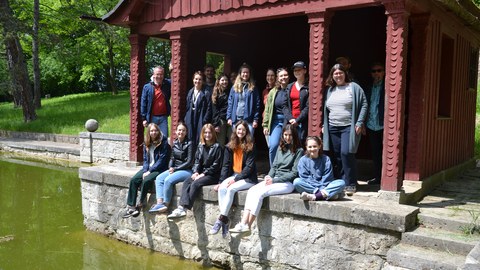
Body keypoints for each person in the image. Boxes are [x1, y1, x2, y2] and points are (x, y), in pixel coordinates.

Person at [230, 124, 303, 233]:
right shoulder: (281, 147)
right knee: (252, 190)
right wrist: (269, 176)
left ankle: (248, 226)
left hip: (287, 183)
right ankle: (243, 223)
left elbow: (294, 173)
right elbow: (274, 166)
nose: (288, 138)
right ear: (282, 135)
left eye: (290, 135)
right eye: (285, 135)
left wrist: (274, 180)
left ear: (294, 136)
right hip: (274, 179)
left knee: (260, 193)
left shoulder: (299, 150)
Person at [323, 64, 367, 196]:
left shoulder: (353, 87)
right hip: (333, 127)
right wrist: (324, 125)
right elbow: (326, 109)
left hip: (348, 126)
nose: (338, 75)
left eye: (340, 73)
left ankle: (351, 183)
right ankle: (342, 182)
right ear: (332, 76)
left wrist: (359, 122)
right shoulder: (330, 90)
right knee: (337, 155)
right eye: (335, 73)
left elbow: (364, 104)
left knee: (346, 153)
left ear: (345, 74)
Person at [210, 120, 258, 237]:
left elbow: (249, 168)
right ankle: (225, 219)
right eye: (239, 129)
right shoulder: (229, 146)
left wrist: (235, 180)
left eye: (243, 129)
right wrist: (221, 182)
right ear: (235, 130)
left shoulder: (251, 146)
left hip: (248, 178)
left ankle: (221, 219)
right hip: (234, 175)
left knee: (231, 189)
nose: (240, 131)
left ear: (246, 132)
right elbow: (226, 166)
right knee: (222, 189)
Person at [168, 124, 223, 218]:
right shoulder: (201, 145)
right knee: (187, 182)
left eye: (209, 132)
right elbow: (197, 161)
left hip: (212, 175)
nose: (207, 135)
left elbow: (216, 165)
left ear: (213, 134)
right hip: (201, 173)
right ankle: (181, 208)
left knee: (195, 184)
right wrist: (196, 172)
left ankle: (185, 208)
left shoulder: (217, 147)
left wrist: (203, 174)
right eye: (205, 132)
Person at [122, 123, 170, 218]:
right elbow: (145, 160)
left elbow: (161, 161)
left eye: (155, 130)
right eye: (151, 131)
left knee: (147, 180)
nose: (154, 133)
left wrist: (149, 171)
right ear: (149, 132)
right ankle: (131, 206)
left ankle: (140, 204)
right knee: (134, 180)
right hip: (148, 168)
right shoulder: (146, 143)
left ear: (158, 131)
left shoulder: (164, 144)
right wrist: (145, 170)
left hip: (160, 169)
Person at [149, 122, 193, 213]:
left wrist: (175, 169)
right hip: (175, 169)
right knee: (159, 178)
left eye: (183, 130)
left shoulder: (190, 143)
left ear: (186, 132)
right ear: (176, 132)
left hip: (186, 170)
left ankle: (166, 204)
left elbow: (189, 162)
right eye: (179, 130)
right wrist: (170, 167)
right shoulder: (175, 143)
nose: (181, 132)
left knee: (168, 180)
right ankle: (159, 203)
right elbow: (172, 158)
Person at [294, 136, 346, 201]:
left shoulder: (326, 159)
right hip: (311, 187)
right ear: (306, 147)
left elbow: (327, 177)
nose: (312, 149)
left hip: (324, 186)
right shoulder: (303, 160)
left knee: (341, 183)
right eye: (310, 147)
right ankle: (326, 195)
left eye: (315, 146)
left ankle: (314, 196)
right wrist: (318, 189)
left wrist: (321, 187)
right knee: (297, 182)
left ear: (319, 146)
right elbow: (305, 178)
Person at [263, 68, 289, 165]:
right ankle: (273, 171)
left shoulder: (291, 89)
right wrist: (265, 125)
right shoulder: (273, 91)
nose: (283, 78)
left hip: (288, 121)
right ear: (278, 78)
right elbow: (267, 110)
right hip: (275, 121)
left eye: (285, 75)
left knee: (287, 146)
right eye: (281, 76)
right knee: (273, 146)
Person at [227, 63, 260, 137]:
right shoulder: (234, 87)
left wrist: (255, 119)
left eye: (247, 72)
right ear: (240, 74)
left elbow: (257, 105)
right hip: (235, 119)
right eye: (243, 72)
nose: (245, 74)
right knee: (236, 142)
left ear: (249, 74)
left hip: (249, 120)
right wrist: (229, 117)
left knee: (248, 142)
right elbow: (230, 103)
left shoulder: (253, 88)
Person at [365, 62, 385, 186]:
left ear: (383, 72)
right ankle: (378, 178)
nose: (376, 73)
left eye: (379, 70)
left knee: (386, 153)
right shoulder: (368, 87)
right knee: (376, 153)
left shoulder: (388, 87)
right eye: (374, 71)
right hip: (371, 125)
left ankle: (386, 179)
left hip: (384, 125)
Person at [141, 66, 171, 138]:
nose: (159, 76)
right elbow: (143, 103)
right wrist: (144, 119)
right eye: (157, 74)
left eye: (161, 74)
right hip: (152, 117)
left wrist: (171, 69)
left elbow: (175, 79)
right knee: (152, 139)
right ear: (153, 75)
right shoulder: (147, 87)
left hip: (163, 118)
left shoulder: (166, 84)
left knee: (164, 139)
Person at [184, 71, 212, 149]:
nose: (197, 81)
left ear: (202, 81)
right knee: (190, 138)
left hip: (200, 118)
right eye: (196, 79)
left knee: (200, 138)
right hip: (191, 118)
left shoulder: (206, 93)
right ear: (193, 80)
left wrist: (204, 120)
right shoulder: (190, 92)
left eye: (200, 79)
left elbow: (209, 108)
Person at [284, 61, 309, 143]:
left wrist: (297, 120)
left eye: (299, 70)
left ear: (305, 71)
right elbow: (284, 106)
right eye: (295, 70)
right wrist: (290, 118)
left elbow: (308, 106)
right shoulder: (289, 87)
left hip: (302, 122)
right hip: (290, 121)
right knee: (289, 143)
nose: (297, 72)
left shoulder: (308, 87)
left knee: (300, 143)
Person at [212, 74, 231, 146]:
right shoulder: (216, 93)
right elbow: (215, 110)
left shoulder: (230, 91)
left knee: (231, 141)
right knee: (220, 142)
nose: (224, 82)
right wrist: (216, 124)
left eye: (226, 80)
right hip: (221, 120)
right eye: (222, 80)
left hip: (230, 119)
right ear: (218, 81)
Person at [262, 68, 276, 146]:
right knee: (269, 145)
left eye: (272, 75)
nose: (270, 77)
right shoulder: (264, 91)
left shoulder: (278, 89)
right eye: (268, 75)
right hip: (266, 122)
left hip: (275, 121)